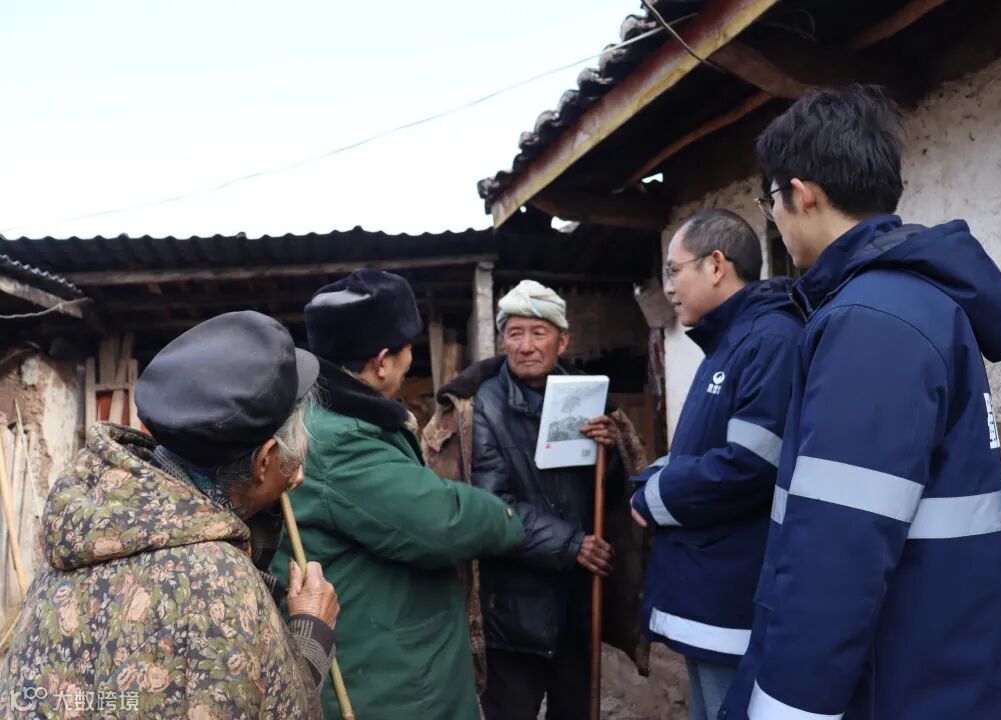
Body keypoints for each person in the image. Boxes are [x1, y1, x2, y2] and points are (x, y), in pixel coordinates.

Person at [721, 85, 1001, 720]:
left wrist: (788, 705)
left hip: (903, 683)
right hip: (941, 668)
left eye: (769, 200)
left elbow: (838, 548)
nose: (774, 218)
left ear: (801, 192)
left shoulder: (872, 320)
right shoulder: (908, 302)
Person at [0, 311, 338, 719]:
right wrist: (311, 635)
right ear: (264, 460)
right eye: (291, 460)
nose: (297, 475)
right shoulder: (219, 585)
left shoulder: (91, 521)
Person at [274, 268, 525, 720]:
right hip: (388, 680)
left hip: (374, 645)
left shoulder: (321, 411)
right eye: (408, 349)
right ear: (382, 362)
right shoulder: (340, 439)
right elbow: (440, 522)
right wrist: (510, 517)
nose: (411, 360)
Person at [421, 281, 651, 707]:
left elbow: (607, 495)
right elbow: (492, 505)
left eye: (538, 333)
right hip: (512, 612)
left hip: (578, 606)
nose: (526, 346)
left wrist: (609, 455)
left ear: (562, 341)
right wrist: (572, 544)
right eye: (515, 333)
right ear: (502, 342)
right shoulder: (482, 408)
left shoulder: (587, 398)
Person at [628, 209, 801, 720]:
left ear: (717, 265)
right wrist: (656, 475)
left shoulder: (770, 339)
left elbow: (749, 465)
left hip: (734, 592)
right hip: (711, 588)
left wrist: (654, 495)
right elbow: (705, 449)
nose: (668, 287)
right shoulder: (729, 342)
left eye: (673, 270)